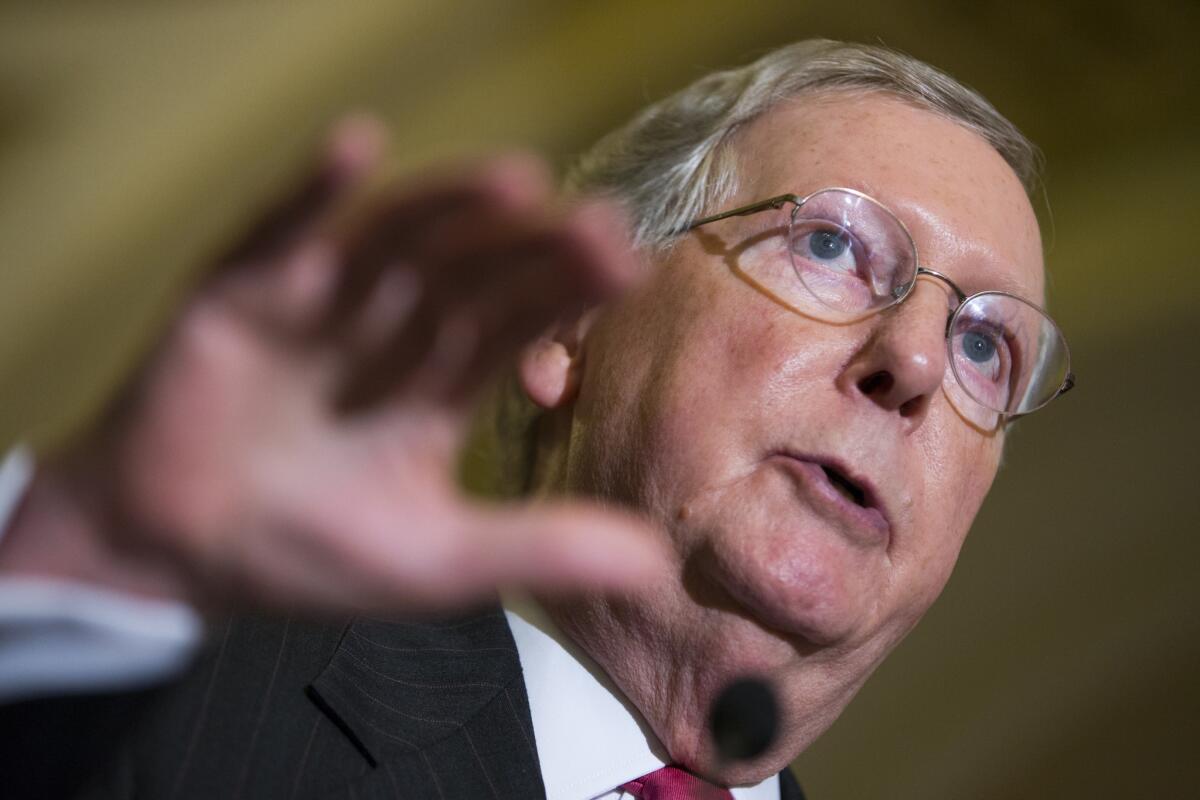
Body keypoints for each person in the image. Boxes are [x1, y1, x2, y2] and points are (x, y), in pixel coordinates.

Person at [0, 39, 1073, 798]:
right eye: (835, 247)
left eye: (987, 345)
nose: (919, 360)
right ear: (573, 316)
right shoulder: (173, 700)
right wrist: (85, 552)